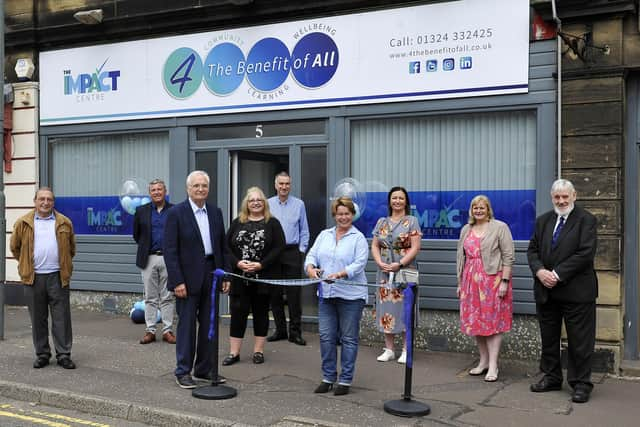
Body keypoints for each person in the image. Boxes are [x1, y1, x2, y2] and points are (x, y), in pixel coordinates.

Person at [527, 179, 598, 404]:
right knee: (549, 338)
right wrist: (540, 272)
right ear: (552, 198)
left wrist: (556, 274)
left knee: (580, 340)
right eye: (557, 197)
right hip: (546, 291)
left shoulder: (586, 220)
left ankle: (581, 383)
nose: (561, 201)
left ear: (574, 196)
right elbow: (533, 250)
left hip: (577, 291)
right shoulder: (543, 221)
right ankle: (552, 376)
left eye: (565, 196)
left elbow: (585, 254)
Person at [163, 171, 231, 389]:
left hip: (212, 275)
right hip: (187, 278)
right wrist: (177, 281)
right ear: (188, 189)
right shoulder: (176, 213)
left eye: (204, 186)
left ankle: (204, 368)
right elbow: (170, 250)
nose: (201, 189)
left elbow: (223, 246)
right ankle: (183, 371)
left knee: (209, 326)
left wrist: (225, 274)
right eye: (196, 186)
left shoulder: (215, 212)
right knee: (187, 327)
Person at [305, 197, 368, 396]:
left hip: (351, 297)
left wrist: (340, 274)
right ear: (334, 215)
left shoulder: (358, 238)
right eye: (339, 214)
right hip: (327, 294)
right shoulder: (324, 235)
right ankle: (328, 377)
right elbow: (311, 255)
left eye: (347, 214)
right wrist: (310, 269)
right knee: (326, 337)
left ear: (353, 215)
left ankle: (345, 380)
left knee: (348, 338)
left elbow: (359, 264)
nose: (343, 217)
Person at [10, 187, 77, 370]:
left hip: (58, 276)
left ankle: (63, 354)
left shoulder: (64, 222)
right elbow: (15, 248)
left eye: (49, 199)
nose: (45, 202)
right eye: (42, 199)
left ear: (53, 202)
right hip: (34, 277)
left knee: (61, 317)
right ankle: (42, 354)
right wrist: (26, 264)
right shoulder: (23, 223)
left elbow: (71, 249)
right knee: (38, 318)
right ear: (35, 201)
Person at [223, 187, 285, 365]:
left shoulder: (273, 223)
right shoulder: (237, 222)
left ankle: (258, 351)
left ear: (264, 203)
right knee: (237, 314)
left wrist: (261, 264)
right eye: (252, 200)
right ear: (246, 204)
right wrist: (237, 263)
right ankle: (234, 353)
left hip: (263, 278)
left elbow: (279, 248)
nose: (256, 202)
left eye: (259, 199)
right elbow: (226, 247)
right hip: (240, 277)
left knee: (261, 313)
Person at [456, 195, 514, 383]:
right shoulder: (466, 229)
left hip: (493, 281)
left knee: (493, 322)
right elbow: (460, 258)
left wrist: (505, 281)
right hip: (470, 281)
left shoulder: (500, 227)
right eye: (475, 208)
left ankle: (494, 365)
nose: (478, 211)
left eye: (482, 208)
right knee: (476, 322)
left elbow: (508, 256)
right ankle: (483, 362)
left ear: (488, 209)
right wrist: (460, 283)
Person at [371, 186, 421, 364]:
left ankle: (407, 349)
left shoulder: (412, 221)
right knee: (387, 309)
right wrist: (379, 262)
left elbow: (415, 247)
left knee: (406, 307)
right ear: (389, 201)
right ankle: (389, 349)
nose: (397, 201)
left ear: (406, 201)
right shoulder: (381, 222)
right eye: (394, 198)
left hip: (405, 269)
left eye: (401, 198)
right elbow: (375, 244)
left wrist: (399, 263)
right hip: (385, 271)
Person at [267, 171, 310, 346]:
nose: (284, 187)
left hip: (292, 252)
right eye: (281, 184)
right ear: (275, 185)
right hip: (273, 253)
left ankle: (295, 332)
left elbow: (304, 230)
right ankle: (280, 330)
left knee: (294, 294)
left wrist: (301, 251)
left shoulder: (299, 204)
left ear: (290, 185)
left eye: (287, 184)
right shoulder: (267, 204)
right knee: (275, 293)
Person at [133, 179, 176, 345]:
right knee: (150, 297)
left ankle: (167, 330)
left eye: (160, 189)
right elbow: (136, 235)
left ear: (165, 191)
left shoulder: (174, 210)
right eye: (153, 190)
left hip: (169, 258)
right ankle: (150, 330)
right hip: (148, 257)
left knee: (167, 296)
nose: (157, 192)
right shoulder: (141, 211)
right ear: (149, 193)